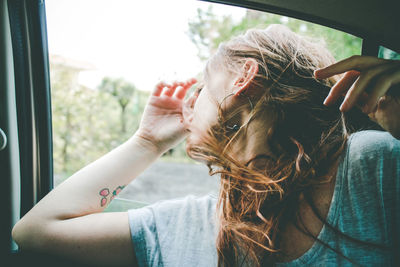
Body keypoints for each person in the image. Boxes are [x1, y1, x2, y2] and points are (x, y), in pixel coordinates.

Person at [12, 25, 400, 266]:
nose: (188, 103)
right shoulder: (190, 223)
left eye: (201, 85)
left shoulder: (371, 166)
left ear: (243, 76)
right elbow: (34, 231)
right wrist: (146, 143)